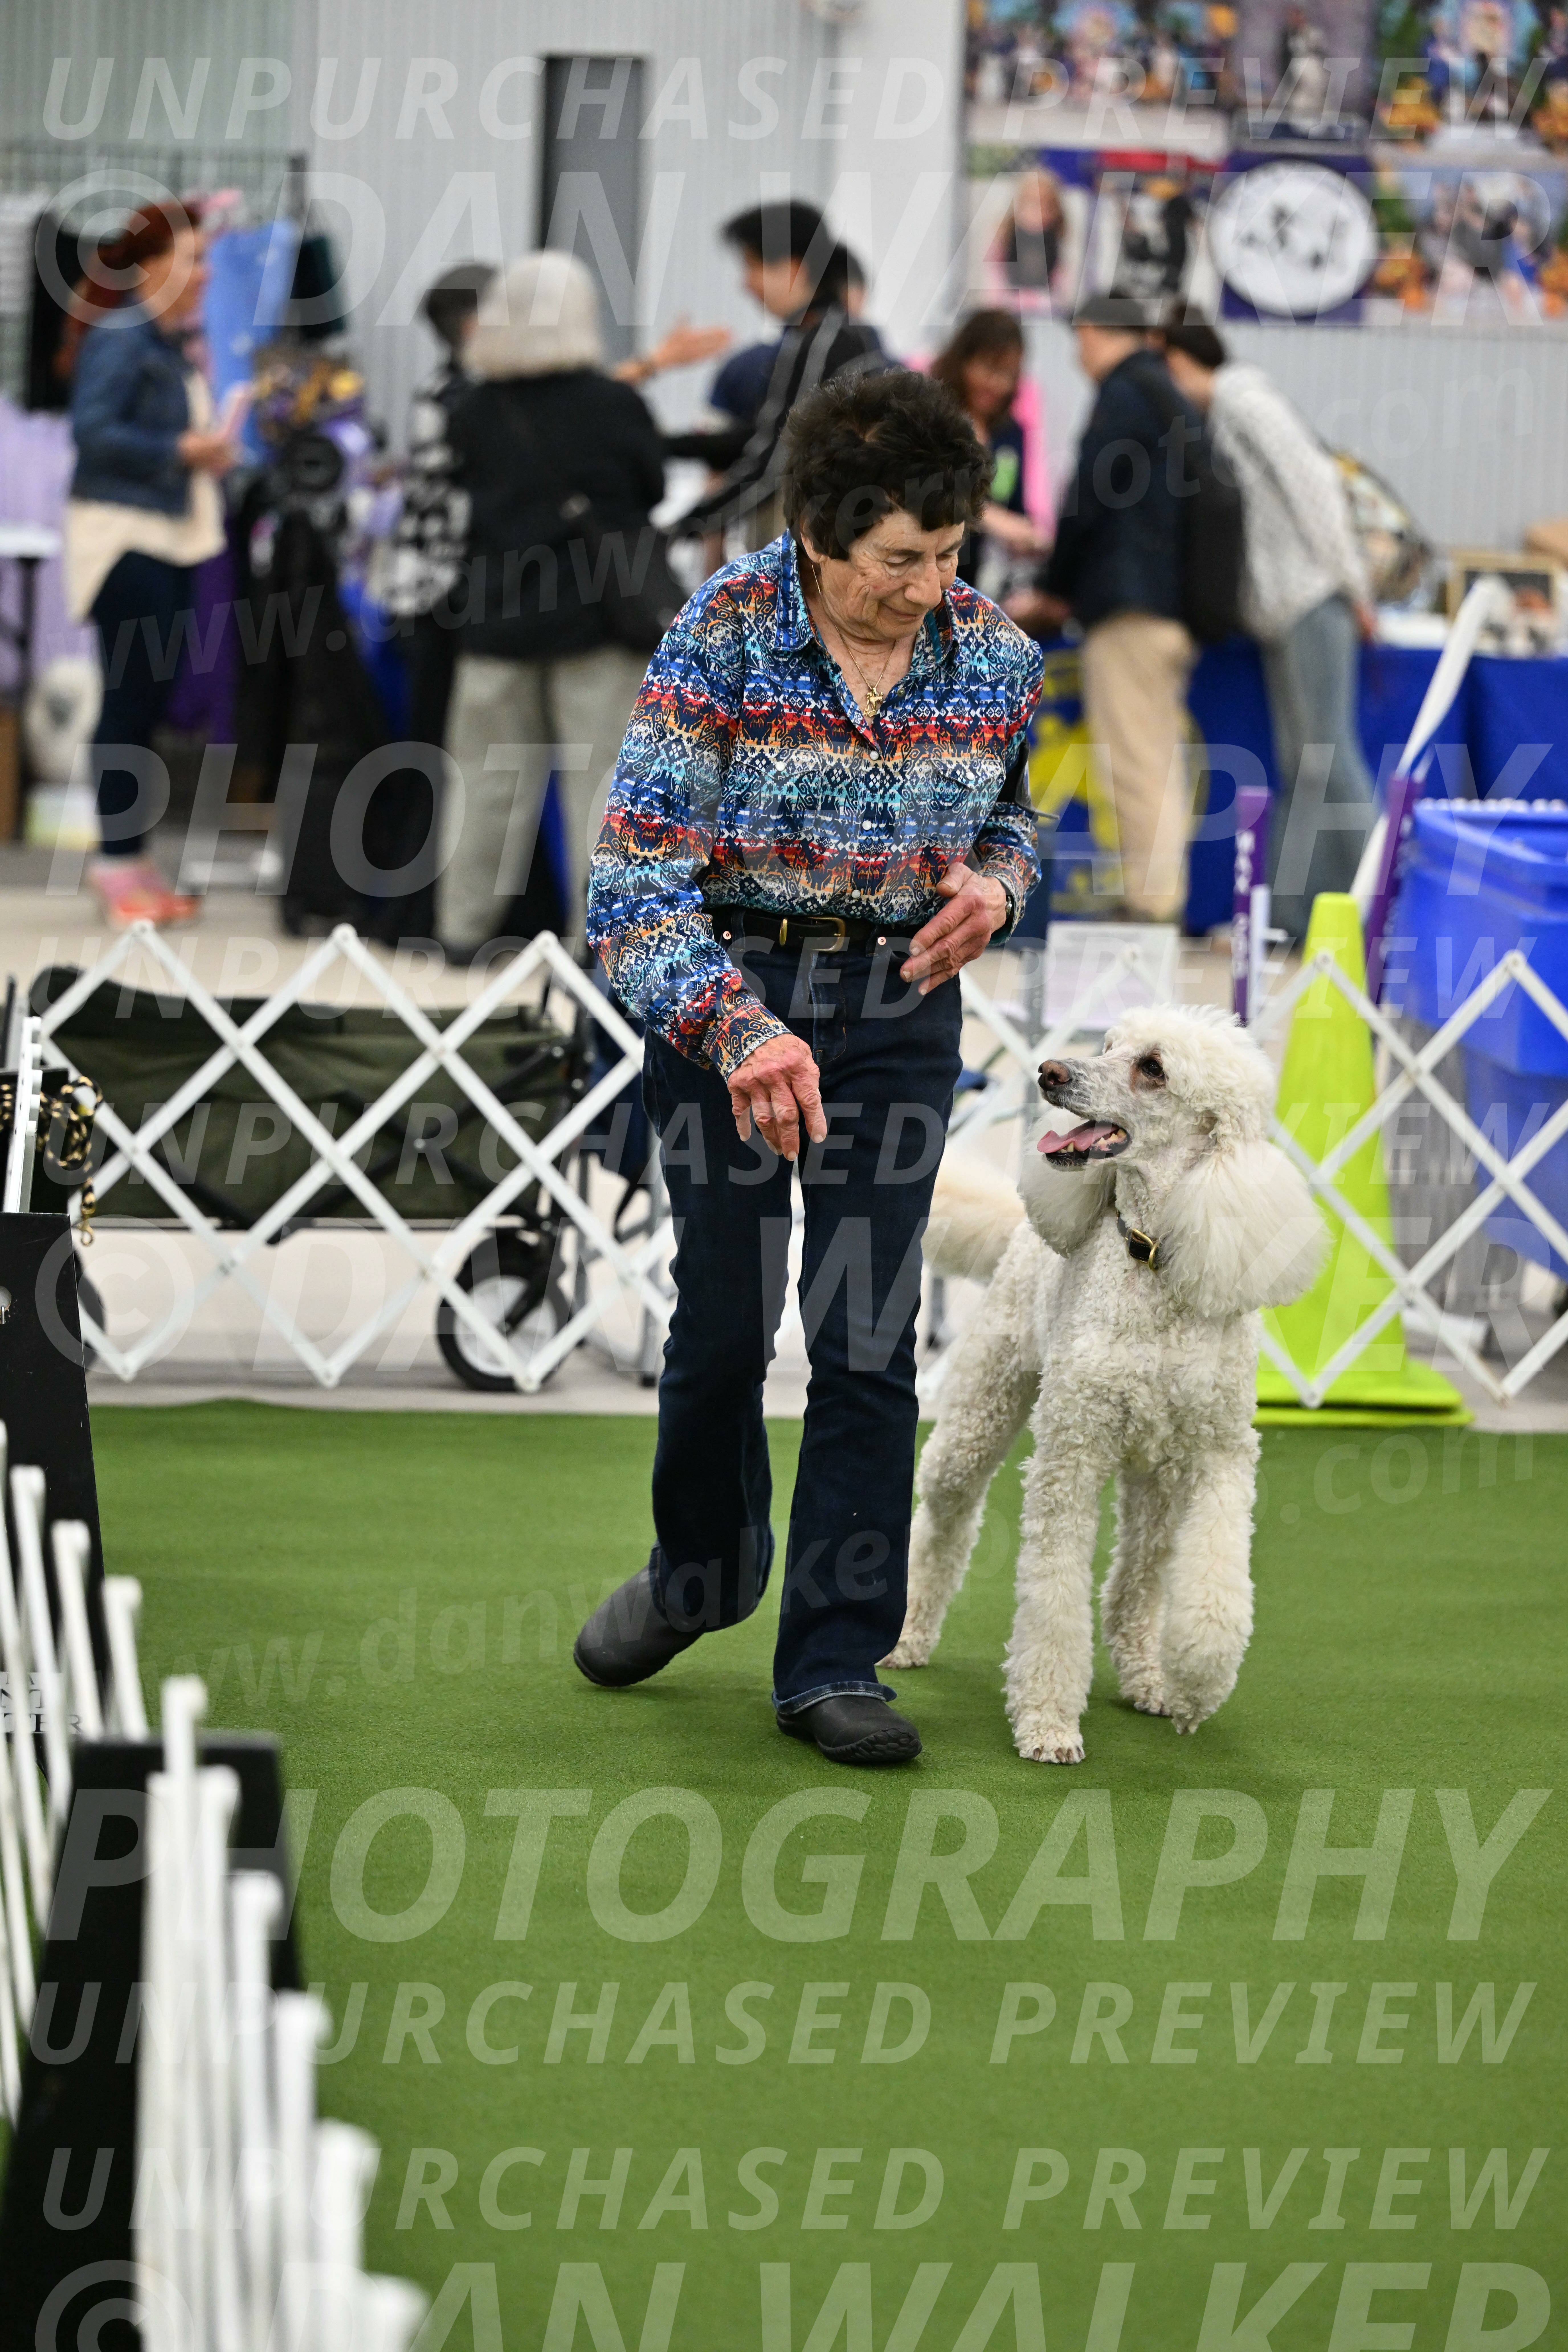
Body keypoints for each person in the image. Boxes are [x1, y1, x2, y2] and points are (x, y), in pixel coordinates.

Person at [576, 369, 1044, 1767]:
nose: (926, 586)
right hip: (729, 988)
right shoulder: (717, 635)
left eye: (950, 553)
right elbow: (628, 881)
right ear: (817, 539)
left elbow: (1015, 819)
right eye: (899, 558)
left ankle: (836, 1656)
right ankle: (696, 1573)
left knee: (864, 1334)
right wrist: (738, 1029)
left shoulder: (992, 653)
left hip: (900, 1008)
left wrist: (1000, 890)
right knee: (721, 1323)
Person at [437, 250, 665, 959]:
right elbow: (649, 489)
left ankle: (459, 934)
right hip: (598, 622)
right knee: (599, 790)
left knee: (482, 786)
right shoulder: (616, 405)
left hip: (496, 621)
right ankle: (595, 946)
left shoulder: (473, 409)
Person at [1158, 315, 1377, 943]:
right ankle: (1285, 921)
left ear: (1178, 358)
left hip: (1313, 600)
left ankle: (1386, 901)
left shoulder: (1245, 400)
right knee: (1304, 766)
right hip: (1284, 615)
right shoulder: (1221, 417)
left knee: (1329, 762)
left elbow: (1317, 490)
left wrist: (1355, 589)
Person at [64, 200, 238, 928]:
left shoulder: (167, 343)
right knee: (130, 701)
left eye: (205, 260)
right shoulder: (126, 337)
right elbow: (93, 431)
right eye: (191, 260)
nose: (203, 275)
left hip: (164, 535)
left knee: (145, 700)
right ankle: (114, 862)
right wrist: (179, 452)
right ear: (148, 269)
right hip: (124, 541)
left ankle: (130, 858)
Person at [1009, 294, 1196, 922]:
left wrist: (1055, 586)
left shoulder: (1126, 393)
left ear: (1093, 331)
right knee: (1157, 756)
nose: (1078, 354)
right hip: (1167, 603)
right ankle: (1156, 894)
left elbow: (1088, 497)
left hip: (1129, 609)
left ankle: (1151, 904)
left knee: (1139, 761)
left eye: (1079, 339)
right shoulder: (1166, 392)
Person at [671, 203, 887, 553]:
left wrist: (684, 528)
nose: (746, 284)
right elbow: (768, 438)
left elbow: (777, 461)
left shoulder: (822, 344)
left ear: (793, 267)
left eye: (752, 266)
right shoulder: (827, 337)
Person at [928, 309, 1047, 587]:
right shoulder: (933, 420)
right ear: (963, 360)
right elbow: (926, 492)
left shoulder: (1010, 434)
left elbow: (1013, 506)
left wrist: (1026, 539)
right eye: (988, 369)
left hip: (978, 587)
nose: (997, 384)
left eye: (1007, 374)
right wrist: (991, 518)